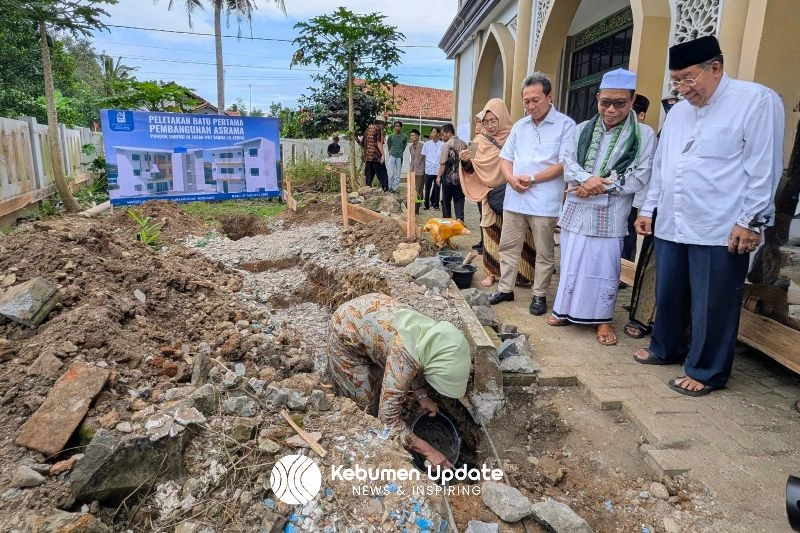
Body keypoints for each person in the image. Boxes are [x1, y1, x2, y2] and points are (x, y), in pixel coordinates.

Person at [633, 35, 785, 396]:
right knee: (670, 293)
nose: (682, 88)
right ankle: (666, 347)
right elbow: (662, 165)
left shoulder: (756, 101)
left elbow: (764, 167)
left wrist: (750, 220)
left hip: (721, 226)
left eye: (688, 78)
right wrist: (648, 207)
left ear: (715, 68)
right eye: (675, 80)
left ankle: (707, 370)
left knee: (712, 302)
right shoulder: (680, 110)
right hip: (672, 220)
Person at [550, 69, 656, 346]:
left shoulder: (643, 135)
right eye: (605, 102)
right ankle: (564, 310)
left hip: (610, 215)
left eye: (619, 103)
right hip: (577, 209)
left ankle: (602, 320)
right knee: (571, 261)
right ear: (597, 98)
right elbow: (567, 159)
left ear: (632, 100)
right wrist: (586, 180)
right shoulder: (581, 129)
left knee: (603, 266)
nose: (610, 109)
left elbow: (641, 174)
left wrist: (600, 186)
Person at [328, 293, 471, 468]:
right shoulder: (403, 357)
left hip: (371, 317)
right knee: (365, 406)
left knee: (385, 384)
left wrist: (422, 396)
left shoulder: (432, 337)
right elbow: (387, 423)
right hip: (346, 332)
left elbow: (418, 362)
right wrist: (428, 451)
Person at [489, 72, 576, 316]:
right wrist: (510, 178)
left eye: (535, 100)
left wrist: (534, 178)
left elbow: (564, 164)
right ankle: (505, 288)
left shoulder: (565, 125)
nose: (530, 106)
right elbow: (506, 158)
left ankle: (539, 295)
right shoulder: (520, 126)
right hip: (515, 198)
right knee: (508, 246)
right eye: (526, 101)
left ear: (550, 97)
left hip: (544, 202)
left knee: (544, 252)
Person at [459, 98, 537, 288]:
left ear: (502, 117)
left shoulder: (517, 136)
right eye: (486, 122)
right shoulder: (478, 141)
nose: (490, 125)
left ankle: (522, 274)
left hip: (515, 192)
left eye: (493, 120)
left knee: (521, 233)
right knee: (492, 233)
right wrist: (465, 161)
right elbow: (471, 168)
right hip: (490, 194)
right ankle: (492, 273)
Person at [622, 94, 651, 262]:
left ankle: (625, 268)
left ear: (641, 115)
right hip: (618, 190)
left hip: (635, 193)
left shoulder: (646, 135)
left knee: (629, 233)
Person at [436, 123, 468, 222]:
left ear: (449, 133)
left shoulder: (447, 145)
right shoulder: (463, 144)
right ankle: (460, 219)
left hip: (448, 178)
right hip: (460, 178)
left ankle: (447, 220)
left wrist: (438, 177)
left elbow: (443, 163)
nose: (442, 137)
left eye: (443, 134)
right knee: (459, 199)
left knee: (446, 200)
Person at [363, 115, 388, 191]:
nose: (383, 126)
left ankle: (367, 191)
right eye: (383, 124)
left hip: (368, 157)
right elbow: (379, 143)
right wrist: (382, 155)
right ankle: (385, 190)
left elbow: (363, 142)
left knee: (369, 177)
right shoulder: (378, 129)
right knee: (383, 175)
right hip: (376, 157)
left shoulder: (368, 129)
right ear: (380, 123)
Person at [421, 127, 444, 210]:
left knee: (437, 188)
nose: (432, 134)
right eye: (432, 132)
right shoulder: (426, 144)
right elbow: (423, 156)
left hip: (438, 170)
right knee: (427, 188)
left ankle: (436, 205)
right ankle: (426, 205)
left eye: (434, 132)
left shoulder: (443, 144)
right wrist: (425, 167)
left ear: (438, 134)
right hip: (429, 169)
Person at [387, 120, 408, 192]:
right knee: (390, 173)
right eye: (396, 126)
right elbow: (389, 145)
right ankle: (389, 187)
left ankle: (394, 188)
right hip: (392, 156)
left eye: (399, 126)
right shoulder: (390, 136)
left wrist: (400, 152)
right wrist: (391, 152)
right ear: (394, 127)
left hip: (399, 157)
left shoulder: (404, 137)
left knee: (398, 174)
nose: (397, 128)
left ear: (401, 127)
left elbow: (404, 146)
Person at [407, 128, 426, 205]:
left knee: (419, 189)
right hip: (412, 170)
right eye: (410, 135)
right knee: (413, 189)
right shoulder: (410, 147)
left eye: (413, 135)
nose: (411, 137)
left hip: (420, 170)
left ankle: (417, 206)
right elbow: (412, 158)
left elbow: (425, 158)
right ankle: (415, 204)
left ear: (417, 136)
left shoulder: (423, 146)